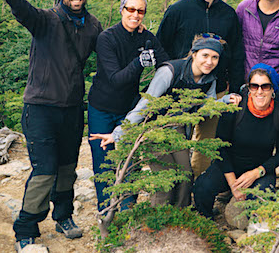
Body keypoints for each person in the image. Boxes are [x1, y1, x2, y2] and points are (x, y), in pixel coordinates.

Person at [0, 0, 102, 252]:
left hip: (72, 108)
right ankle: (26, 229)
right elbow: (23, 10)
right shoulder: (46, 20)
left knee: (68, 168)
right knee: (44, 171)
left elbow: (108, 51)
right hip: (40, 107)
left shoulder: (92, 25)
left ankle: (64, 216)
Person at [89, 35, 240, 208]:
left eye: (215, 57)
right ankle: (158, 221)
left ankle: (180, 218)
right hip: (153, 127)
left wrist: (225, 101)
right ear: (194, 54)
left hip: (177, 128)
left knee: (185, 175)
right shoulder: (170, 71)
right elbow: (145, 105)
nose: (209, 62)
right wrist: (118, 133)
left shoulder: (209, 79)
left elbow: (205, 109)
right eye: (205, 55)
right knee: (166, 178)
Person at [156, 0, 245, 176]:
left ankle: (198, 190)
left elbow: (236, 54)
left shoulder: (228, 14)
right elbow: (160, 47)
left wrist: (234, 89)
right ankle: (179, 193)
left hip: (215, 90)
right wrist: (168, 80)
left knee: (205, 145)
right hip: (178, 91)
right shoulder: (177, 11)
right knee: (177, 143)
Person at [88, 0, 169, 212]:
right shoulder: (107, 38)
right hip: (101, 108)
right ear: (122, 9)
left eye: (140, 11)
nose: (135, 15)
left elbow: (166, 63)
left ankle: (127, 212)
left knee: (129, 161)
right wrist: (139, 63)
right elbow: (115, 78)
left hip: (128, 109)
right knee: (103, 163)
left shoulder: (146, 37)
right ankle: (106, 213)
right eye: (130, 9)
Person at [193, 64, 279, 218]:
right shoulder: (234, 109)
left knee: (263, 198)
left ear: (273, 89)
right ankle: (206, 221)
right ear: (249, 88)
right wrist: (233, 183)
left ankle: (255, 231)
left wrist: (255, 173)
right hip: (229, 165)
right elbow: (220, 147)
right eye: (254, 86)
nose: (259, 91)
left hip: (260, 169)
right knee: (202, 187)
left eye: (265, 86)